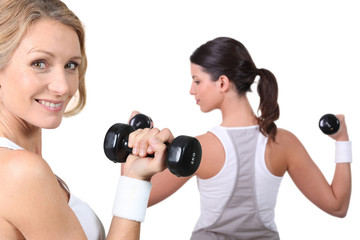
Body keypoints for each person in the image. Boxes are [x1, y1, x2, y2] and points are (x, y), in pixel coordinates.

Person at [147, 37, 352, 239]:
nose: (191, 90)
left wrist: (132, 141)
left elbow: (141, 198)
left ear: (222, 82)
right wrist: (342, 140)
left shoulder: (199, 147)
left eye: (197, 80)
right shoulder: (283, 142)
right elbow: (337, 206)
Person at [0, 0, 173, 239]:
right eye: (39, 63)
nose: (62, 87)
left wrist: (134, 178)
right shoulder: (21, 171)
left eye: (71, 65)